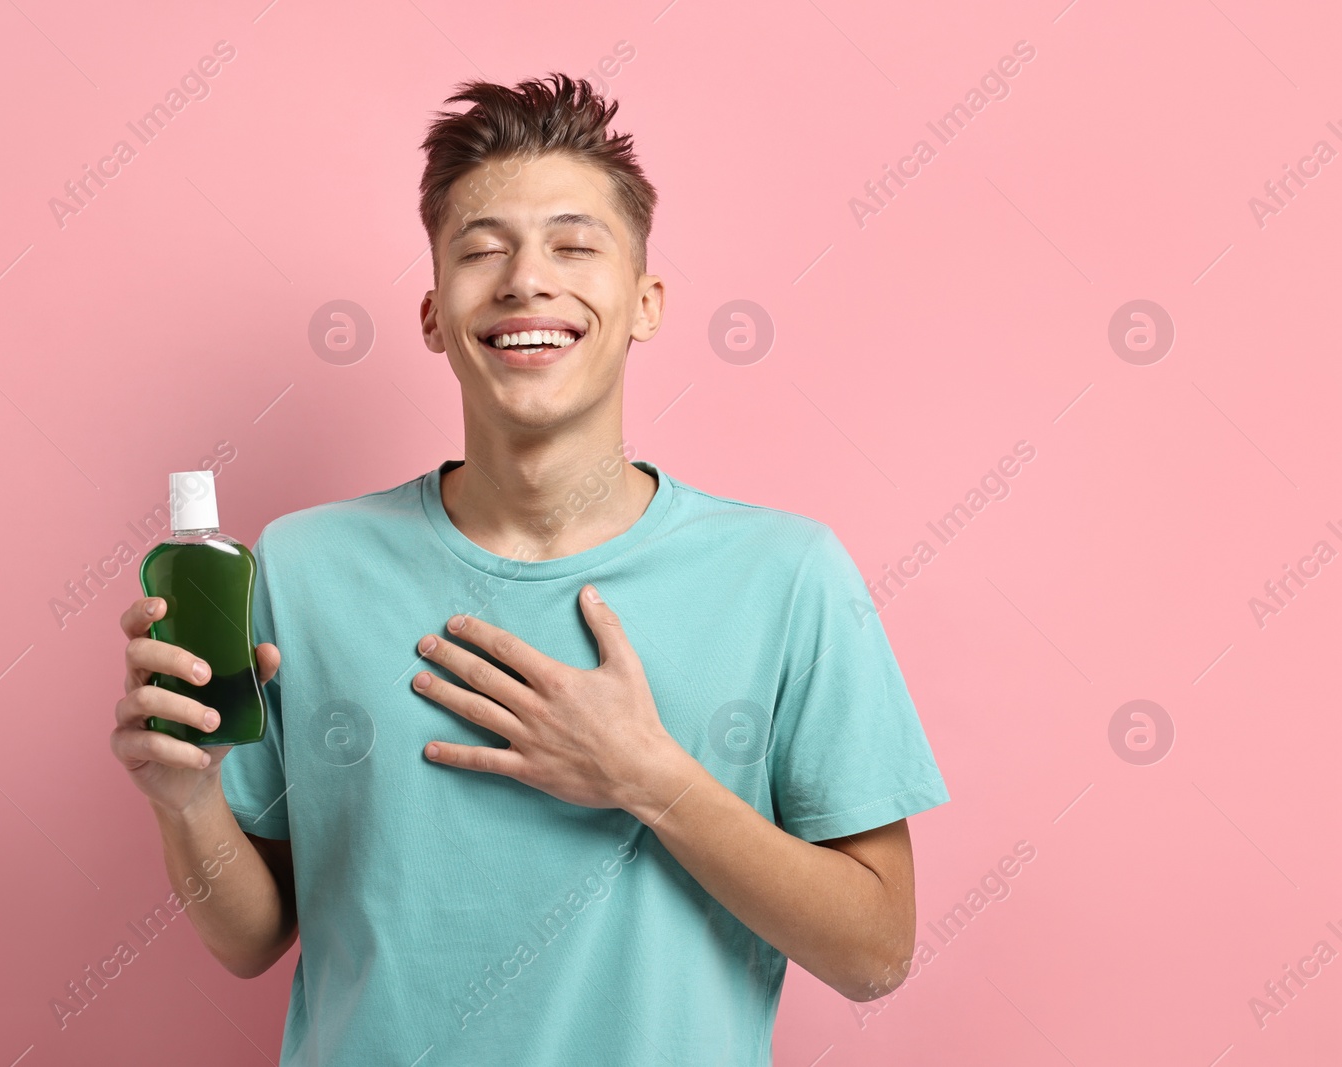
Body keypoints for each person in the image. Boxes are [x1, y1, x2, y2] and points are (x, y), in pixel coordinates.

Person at [112, 71, 948, 1065]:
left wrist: (652, 779)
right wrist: (188, 798)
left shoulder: (786, 575)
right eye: (481, 248)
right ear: (433, 314)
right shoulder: (299, 565)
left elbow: (875, 953)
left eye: (572, 243)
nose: (524, 279)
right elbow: (252, 938)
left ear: (644, 303)